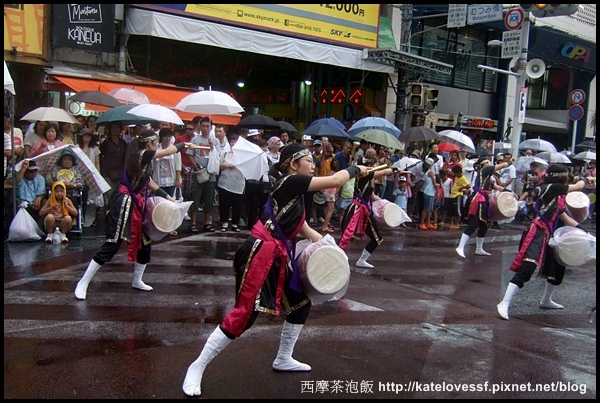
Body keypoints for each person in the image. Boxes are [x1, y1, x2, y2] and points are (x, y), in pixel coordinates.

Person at [181, 142, 369, 397]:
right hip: (260, 253)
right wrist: (356, 169)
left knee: (301, 302)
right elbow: (336, 179)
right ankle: (197, 367)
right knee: (245, 315)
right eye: (308, 161)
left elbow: (303, 229)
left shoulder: (294, 196)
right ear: (293, 164)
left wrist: (327, 244)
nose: (313, 165)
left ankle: (283, 358)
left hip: (276, 255)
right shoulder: (289, 181)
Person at [74, 130, 194, 300]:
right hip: (123, 202)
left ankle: (137, 280)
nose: (157, 145)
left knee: (145, 242)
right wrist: (184, 145)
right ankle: (83, 282)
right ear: (149, 144)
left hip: (136, 202)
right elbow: (167, 152)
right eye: (155, 142)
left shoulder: (143, 159)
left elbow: (148, 182)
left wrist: (168, 197)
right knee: (113, 244)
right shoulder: (142, 154)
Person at [496, 164, 595, 320]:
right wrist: (586, 178)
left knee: (557, 266)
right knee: (528, 267)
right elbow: (579, 185)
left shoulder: (556, 194)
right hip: (537, 232)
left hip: (548, 233)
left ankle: (546, 300)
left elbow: (565, 217)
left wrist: (584, 231)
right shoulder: (550, 187)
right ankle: (504, 302)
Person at [339, 147, 407, 268]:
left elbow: (373, 196)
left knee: (369, 238)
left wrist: (387, 204)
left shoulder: (366, 176)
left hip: (362, 210)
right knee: (348, 237)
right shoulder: (364, 174)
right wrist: (395, 169)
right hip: (357, 211)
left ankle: (358, 260)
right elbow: (384, 172)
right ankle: (335, 257)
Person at [455, 156, 513, 258]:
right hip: (477, 200)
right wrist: (510, 162)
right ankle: (460, 247)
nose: (490, 162)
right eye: (488, 161)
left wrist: (510, 192)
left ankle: (479, 248)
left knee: (484, 225)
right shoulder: (485, 170)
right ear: (483, 164)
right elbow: (503, 165)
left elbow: (497, 187)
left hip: (483, 201)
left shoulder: (488, 176)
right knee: (474, 224)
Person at [188, 117, 217, 233]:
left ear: (210, 128)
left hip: (211, 173)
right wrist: (195, 166)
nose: (205, 128)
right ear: (200, 126)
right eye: (203, 126)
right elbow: (190, 154)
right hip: (199, 172)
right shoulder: (195, 140)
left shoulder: (215, 140)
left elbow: (218, 155)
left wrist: (212, 146)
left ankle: (207, 222)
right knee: (195, 197)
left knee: (209, 199)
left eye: (207, 126)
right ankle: (193, 223)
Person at [217, 132, 245, 232]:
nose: (233, 143)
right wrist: (226, 166)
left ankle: (235, 224)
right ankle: (224, 223)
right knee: (224, 203)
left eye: (235, 141)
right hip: (225, 182)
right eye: (232, 141)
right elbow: (218, 165)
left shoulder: (244, 154)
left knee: (237, 205)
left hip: (239, 183)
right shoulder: (225, 152)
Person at [46, 147, 87, 215]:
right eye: (65, 159)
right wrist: (57, 184)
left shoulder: (76, 170)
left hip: (72, 193)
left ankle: (74, 219)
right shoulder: (55, 169)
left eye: (69, 160)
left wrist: (72, 185)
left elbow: (81, 184)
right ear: (61, 161)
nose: (67, 161)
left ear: (72, 161)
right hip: (57, 193)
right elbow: (47, 180)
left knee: (74, 200)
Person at [99, 122, 128, 207]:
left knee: (118, 195)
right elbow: (101, 157)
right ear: (110, 129)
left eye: (117, 127)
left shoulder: (123, 143)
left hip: (120, 173)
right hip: (107, 173)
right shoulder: (106, 143)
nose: (115, 130)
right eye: (113, 128)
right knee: (109, 196)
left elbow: (126, 157)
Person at [13, 159, 47, 226]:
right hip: (21, 204)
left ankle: (40, 229)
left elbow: (42, 192)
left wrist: (39, 198)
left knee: (45, 202)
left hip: (35, 204)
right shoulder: (20, 177)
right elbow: (15, 183)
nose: (33, 173)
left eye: (35, 171)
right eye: (31, 171)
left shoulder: (40, 178)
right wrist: (24, 168)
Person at [417, 157, 439, 230]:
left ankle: (428, 223)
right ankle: (422, 223)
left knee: (429, 209)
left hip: (430, 192)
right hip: (429, 192)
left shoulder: (427, 172)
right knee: (426, 209)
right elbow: (434, 183)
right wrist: (438, 187)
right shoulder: (430, 172)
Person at [447, 165, 470, 230]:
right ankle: (451, 222)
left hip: (458, 195)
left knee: (457, 211)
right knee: (450, 210)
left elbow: (468, 185)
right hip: (452, 195)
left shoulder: (463, 178)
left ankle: (457, 224)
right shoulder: (457, 177)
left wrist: (461, 188)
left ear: (458, 172)